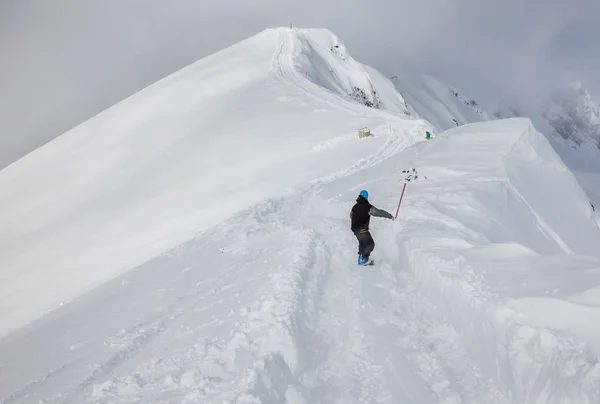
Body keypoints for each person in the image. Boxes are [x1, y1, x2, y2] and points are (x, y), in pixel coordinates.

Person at [350, 190, 394, 265]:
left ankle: (361, 258)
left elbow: (351, 216)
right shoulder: (367, 206)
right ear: (366, 197)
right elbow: (378, 212)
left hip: (354, 228)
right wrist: (390, 216)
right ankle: (364, 259)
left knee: (363, 243)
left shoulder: (354, 207)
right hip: (362, 229)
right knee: (370, 244)